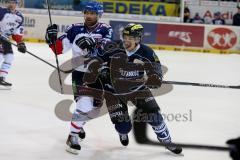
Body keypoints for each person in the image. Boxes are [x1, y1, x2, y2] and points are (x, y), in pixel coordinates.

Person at [97, 23, 182, 154]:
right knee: (123, 127)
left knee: (154, 117)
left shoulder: (146, 51)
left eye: (131, 38)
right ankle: (123, 132)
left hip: (138, 89)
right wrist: (102, 70)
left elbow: (156, 68)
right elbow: (98, 60)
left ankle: (167, 141)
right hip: (114, 91)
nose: (127, 40)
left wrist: (155, 77)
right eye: (125, 37)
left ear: (138, 39)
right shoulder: (113, 47)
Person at [45, 1, 113, 154]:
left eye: (92, 13)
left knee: (95, 109)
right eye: (87, 12)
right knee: (84, 106)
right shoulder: (74, 29)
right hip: (80, 73)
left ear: (99, 15)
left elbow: (107, 50)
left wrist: (93, 47)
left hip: (98, 74)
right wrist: (51, 40)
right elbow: (60, 49)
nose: (88, 16)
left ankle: (79, 124)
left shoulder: (106, 29)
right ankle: (72, 136)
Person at [0, 0, 26, 89]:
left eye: (14, 2)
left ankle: (1, 78)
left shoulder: (20, 17)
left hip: (5, 39)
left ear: (17, 4)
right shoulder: (1, 11)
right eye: (10, 2)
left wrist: (20, 43)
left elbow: (16, 33)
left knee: (9, 57)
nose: (11, 4)